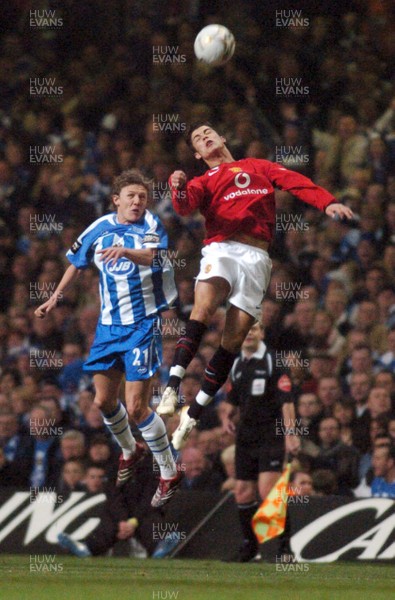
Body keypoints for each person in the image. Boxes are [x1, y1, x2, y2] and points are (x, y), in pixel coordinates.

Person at [156, 122, 353, 449]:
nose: (205, 138)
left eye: (208, 133)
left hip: (257, 259)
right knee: (203, 307)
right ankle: (171, 385)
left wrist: (327, 202)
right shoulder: (202, 181)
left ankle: (192, 415)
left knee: (231, 343)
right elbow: (184, 206)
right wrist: (176, 186)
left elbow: (296, 182)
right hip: (221, 248)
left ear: (222, 138)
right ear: (197, 153)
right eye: (197, 139)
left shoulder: (257, 166)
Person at [34, 169, 182, 507]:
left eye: (142, 197)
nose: (137, 202)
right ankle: (130, 449)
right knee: (101, 402)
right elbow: (76, 262)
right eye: (131, 196)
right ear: (116, 199)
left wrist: (125, 252)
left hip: (142, 325)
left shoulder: (150, 226)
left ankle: (169, 470)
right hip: (108, 328)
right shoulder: (99, 228)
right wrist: (55, 296)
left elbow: (155, 257)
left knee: (136, 406)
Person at [220, 323, 300, 562]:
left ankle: (285, 549)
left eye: (254, 329)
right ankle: (250, 546)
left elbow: (287, 401)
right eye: (245, 330)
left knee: (268, 492)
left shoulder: (273, 361)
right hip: (245, 437)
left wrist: (290, 433)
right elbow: (233, 399)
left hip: (270, 436)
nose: (249, 334)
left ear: (262, 333)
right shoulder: (236, 364)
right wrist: (227, 417)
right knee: (242, 492)